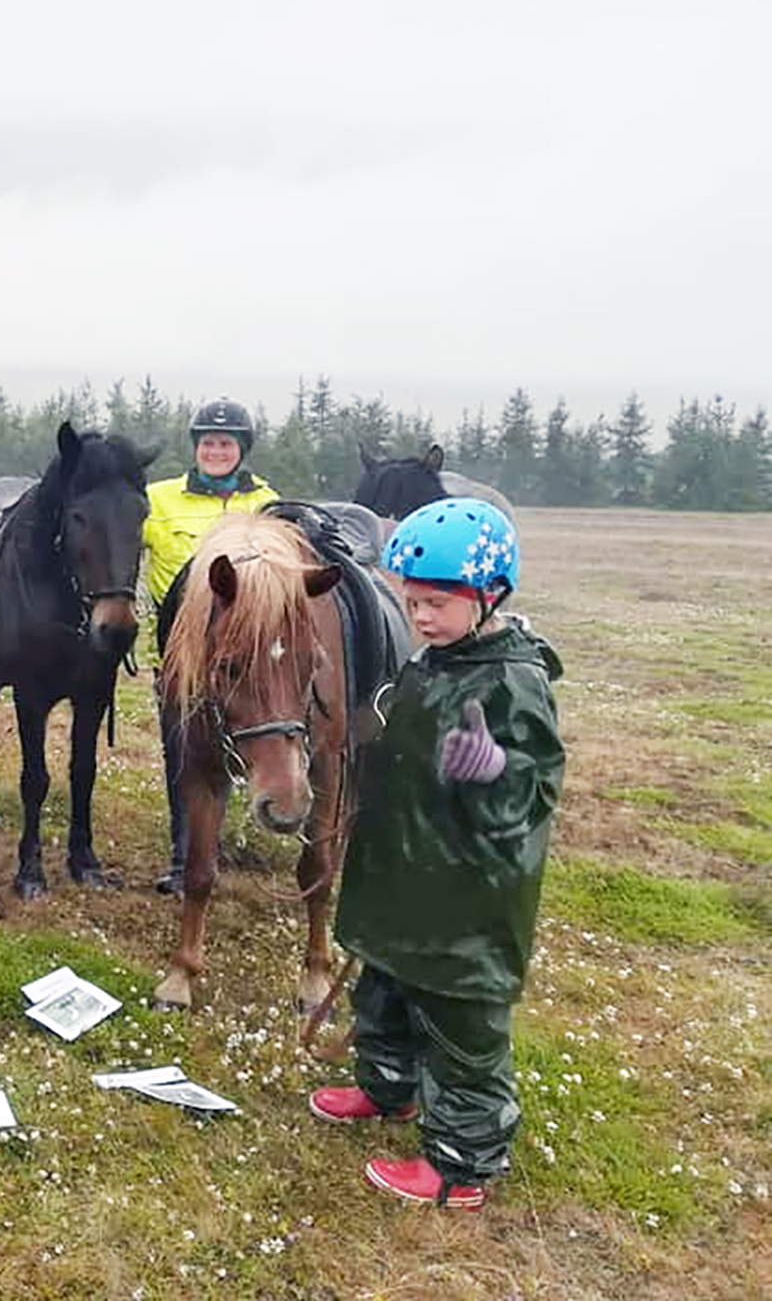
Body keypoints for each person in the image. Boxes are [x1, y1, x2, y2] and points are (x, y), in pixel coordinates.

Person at [310, 498, 565, 1211]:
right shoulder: (433, 662)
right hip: (403, 876)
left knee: (462, 1031)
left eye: (438, 602)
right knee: (384, 988)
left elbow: (529, 798)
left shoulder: (512, 682)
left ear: (489, 595)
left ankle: (461, 1165)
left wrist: (495, 768)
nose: (420, 616)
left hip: (464, 899)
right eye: (412, 600)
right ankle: (388, 1089)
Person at [144, 398, 280, 893]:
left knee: (246, 746)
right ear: (195, 448)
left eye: (225, 443)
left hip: (244, 659)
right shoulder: (158, 500)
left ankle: (227, 839)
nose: (215, 451)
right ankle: (185, 860)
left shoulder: (267, 501)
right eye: (207, 442)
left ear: (242, 449)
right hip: (182, 656)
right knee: (184, 757)